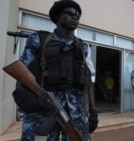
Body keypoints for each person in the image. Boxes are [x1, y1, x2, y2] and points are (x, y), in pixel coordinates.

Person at [15, 0, 93, 140]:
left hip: (75, 112)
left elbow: (87, 82)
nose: (75, 17)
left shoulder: (82, 47)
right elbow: (21, 73)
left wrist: (92, 111)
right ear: (57, 16)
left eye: (77, 15)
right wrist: (26, 99)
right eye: (69, 13)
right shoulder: (39, 40)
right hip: (44, 109)